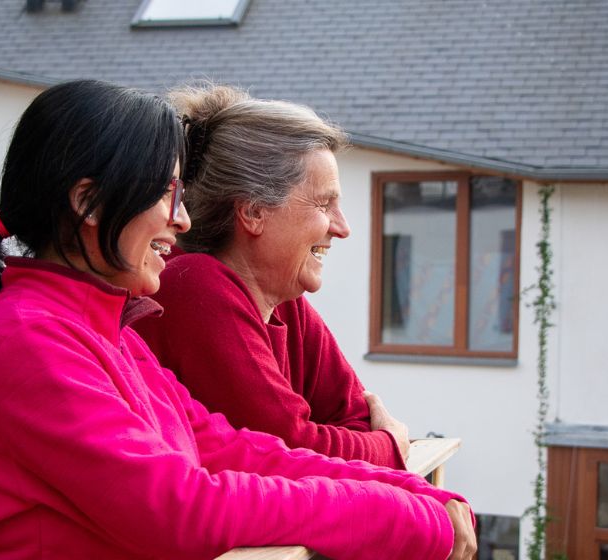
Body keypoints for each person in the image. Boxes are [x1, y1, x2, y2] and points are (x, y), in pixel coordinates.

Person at [0, 79, 476, 560]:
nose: (183, 217)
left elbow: (230, 447)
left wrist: (415, 494)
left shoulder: (108, 332)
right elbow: (181, 509)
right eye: (166, 193)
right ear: (90, 204)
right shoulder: (30, 339)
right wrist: (401, 516)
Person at [135, 84, 410, 469]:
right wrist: (389, 445)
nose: (342, 227)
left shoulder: (285, 301)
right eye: (323, 203)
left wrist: (362, 441)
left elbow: (355, 414)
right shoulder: (193, 285)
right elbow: (291, 449)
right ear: (253, 212)